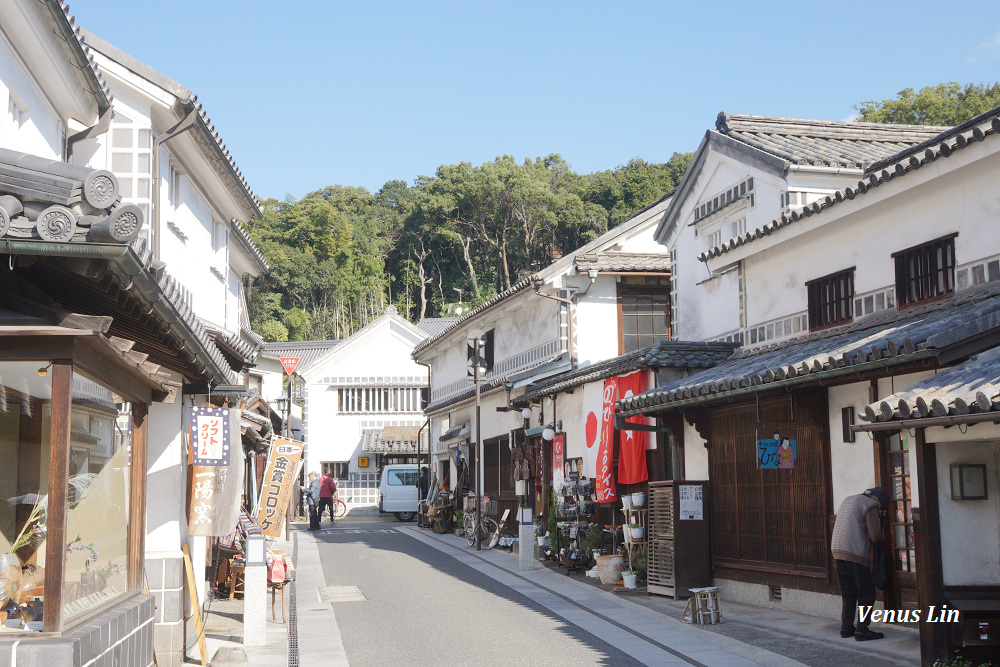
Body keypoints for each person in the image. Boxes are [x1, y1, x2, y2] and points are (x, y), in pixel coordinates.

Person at [831, 486, 890, 641]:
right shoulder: (870, 504)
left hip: (837, 549)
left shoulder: (849, 499)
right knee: (867, 592)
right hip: (854, 550)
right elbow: (875, 535)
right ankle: (862, 630)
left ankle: (846, 628)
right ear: (878, 500)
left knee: (848, 591)